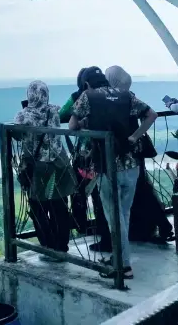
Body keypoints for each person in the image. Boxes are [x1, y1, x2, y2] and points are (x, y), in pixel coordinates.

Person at [69, 67, 157, 280]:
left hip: (107, 166)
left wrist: (85, 124)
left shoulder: (87, 96)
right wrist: (135, 137)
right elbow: (151, 114)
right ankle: (121, 259)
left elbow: (72, 126)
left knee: (114, 219)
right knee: (123, 216)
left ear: (88, 84)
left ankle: (123, 266)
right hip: (132, 164)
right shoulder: (125, 94)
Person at [105, 66, 174, 245]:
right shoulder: (130, 96)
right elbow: (150, 115)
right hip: (134, 150)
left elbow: (152, 115)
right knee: (141, 188)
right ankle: (155, 225)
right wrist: (136, 136)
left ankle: (162, 225)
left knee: (141, 190)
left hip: (125, 150)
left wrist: (133, 136)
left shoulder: (116, 98)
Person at [14, 81, 71, 253]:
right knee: (59, 206)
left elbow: (16, 136)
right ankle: (62, 245)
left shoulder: (22, 116)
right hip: (58, 165)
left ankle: (47, 244)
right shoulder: (54, 110)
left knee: (38, 207)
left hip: (36, 167)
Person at [60, 68, 111, 251]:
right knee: (102, 196)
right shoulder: (111, 94)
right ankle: (105, 232)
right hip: (108, 152)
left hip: (86, 154)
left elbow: (62, 115)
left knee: (82, 192)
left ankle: (84, 226)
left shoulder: (79, 96)